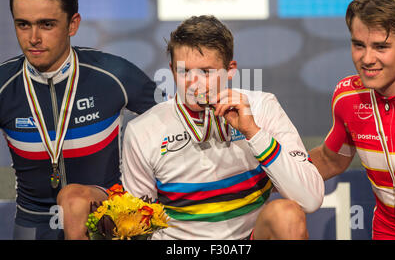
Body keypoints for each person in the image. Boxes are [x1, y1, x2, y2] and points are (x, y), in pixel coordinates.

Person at [0, 0, 158, 240]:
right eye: (23, 25)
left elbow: (175, 131)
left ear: (73, 24)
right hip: (33, 223)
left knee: (74, 198)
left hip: (105, 219)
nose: (34, 38)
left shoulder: (114, 74)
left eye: (47, 24)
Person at [121, 15, 324, 240]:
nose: (193, 83)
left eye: (206, 72)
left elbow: (310, 199)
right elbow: (139, 227)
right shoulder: (142, 130)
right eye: (184, 72)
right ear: (171, 70)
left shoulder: (262, 107)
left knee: (286, 215)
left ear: (230, 69)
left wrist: (253, 133)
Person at [309, 0, 395, 240]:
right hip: (385, 232)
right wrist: (262, 176)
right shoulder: (348, 96)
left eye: (380, 47)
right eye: (358, 45)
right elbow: (331, 160)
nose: (366, 58)